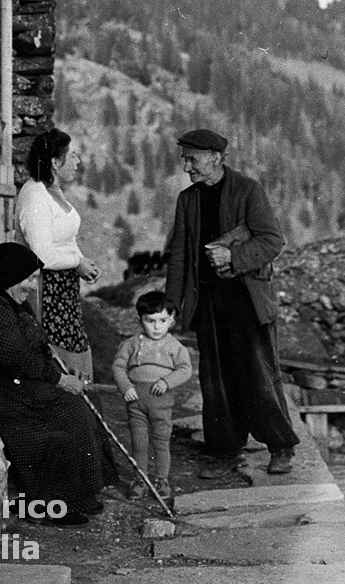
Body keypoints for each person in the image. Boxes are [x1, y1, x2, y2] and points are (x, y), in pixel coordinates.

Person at [0, 242, 118, 524]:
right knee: (65, 406)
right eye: (29, 278)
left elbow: (31, 350)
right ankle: (50, 505)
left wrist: (60, 374)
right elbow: (14, 358)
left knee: (82, 400)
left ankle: (79, 494)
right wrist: (58, 379)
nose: (33, 286)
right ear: (10, 275)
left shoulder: (7, 299)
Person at [165, 128, 300, 478]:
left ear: (215, 158)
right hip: (208, 300)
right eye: (185, 160)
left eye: (192, 160)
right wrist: (171, 302)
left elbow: (272, 240)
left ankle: (281, 446)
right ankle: (226, 453)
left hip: (246, 298)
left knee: (258, 373)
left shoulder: (248, 190)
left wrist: (234, 256)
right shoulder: (188, 200)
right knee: (215, 381)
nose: (187, 168)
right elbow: (179, 254)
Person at [15, 128, 99, 381]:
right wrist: (78, 263)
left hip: (64, 291)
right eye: (72, 156)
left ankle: (79, 410)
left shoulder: (52, 191)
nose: (78, 161)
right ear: (54, 162)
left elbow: (66, 238)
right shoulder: (35, 197)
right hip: (46, 291)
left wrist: (83, 262)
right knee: (58, 353)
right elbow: (43, 255)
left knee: (75, 348)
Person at [111, 290, 193, 498]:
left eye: (162, 320)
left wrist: (167, 382)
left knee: (161, 441)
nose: (157, 327)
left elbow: (185, 369)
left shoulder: (175, 347)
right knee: (139, 442)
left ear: (172, 320)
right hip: (136, 401)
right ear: (140, 320)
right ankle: (140, 480)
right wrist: (126, 387)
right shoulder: (130, 344)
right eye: (150, 321)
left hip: (161, 403)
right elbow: (119, 367)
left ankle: (161, 480)